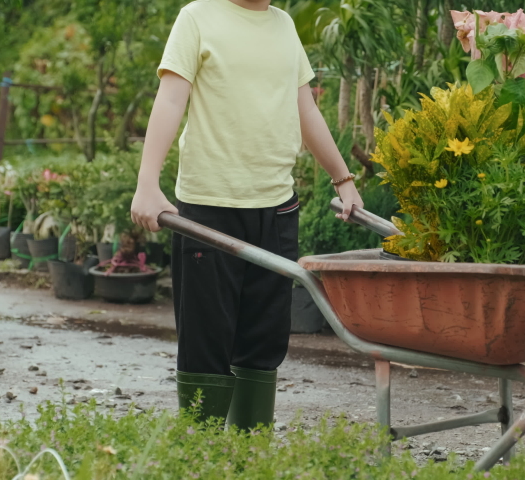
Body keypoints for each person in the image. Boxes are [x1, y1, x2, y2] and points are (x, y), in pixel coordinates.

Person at [130, 0, 363, 430]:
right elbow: (170, 99)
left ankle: (248, 457)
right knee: (206, 340)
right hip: (207, 211)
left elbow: (305, 108)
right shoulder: (198, 17)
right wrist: (147, 184)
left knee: (263, 339)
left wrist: (342, 177)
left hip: (275, 210)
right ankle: (200, 458)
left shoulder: (283, 25)